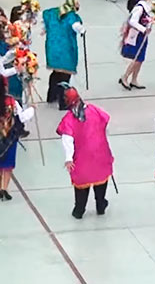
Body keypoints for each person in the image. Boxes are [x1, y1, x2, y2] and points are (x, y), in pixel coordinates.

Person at [57, 86, 114, 219]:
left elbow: (67, 139)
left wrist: (68, 158)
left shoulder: (69, 119)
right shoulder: (93, 110)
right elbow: (105, 123)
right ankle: (101, 205)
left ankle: (79, 209)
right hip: (100, 151)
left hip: (82, 156)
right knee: (100, 178)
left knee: (82, 182)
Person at [43, 0, 84, 109]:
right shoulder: (72, 17)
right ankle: (63, 102)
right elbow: (77, 27)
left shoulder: (54, 13)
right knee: (65, 76)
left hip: (53, 47)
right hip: (66, 50)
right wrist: (82, 30)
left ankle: (51, 96)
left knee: (56, 73)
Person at [120, 0, 153, 90]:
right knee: (137, 58)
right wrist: (143, 29)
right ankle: (125, 76)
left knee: (140, 58)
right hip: (137, 35)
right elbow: (133, 21)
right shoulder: (139, 8)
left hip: (143, 35)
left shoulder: (146, 6)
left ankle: (134, 79)